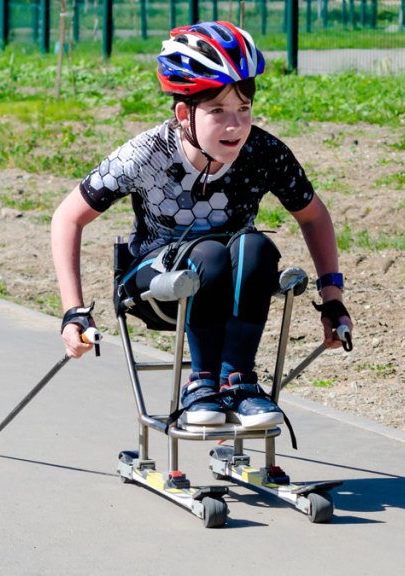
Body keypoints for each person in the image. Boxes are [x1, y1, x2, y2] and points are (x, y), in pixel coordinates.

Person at [50, 21, 352, 430]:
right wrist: (74, 312)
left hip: (231, 288)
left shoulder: (263, 152)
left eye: (243, 109)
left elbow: (313, 215)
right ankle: (201, 385)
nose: (235, 126)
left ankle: (238, 381)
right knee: (209, 252)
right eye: (218, 112)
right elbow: (68, 217)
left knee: (256, 247)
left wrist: (332, 299)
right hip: (155, 286)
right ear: (183, 113)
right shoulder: (145, 154)